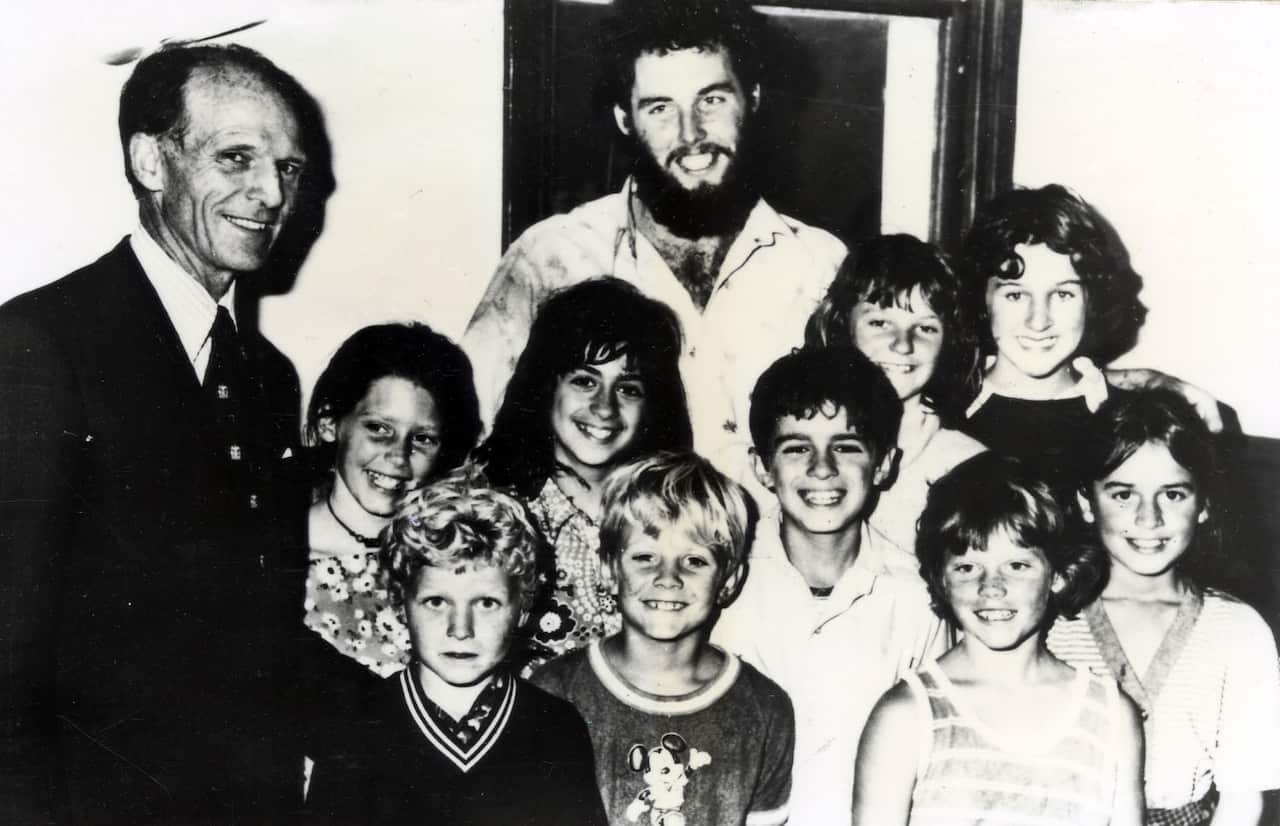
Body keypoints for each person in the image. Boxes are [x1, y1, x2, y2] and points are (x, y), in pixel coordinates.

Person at [0, 43, 327, 821]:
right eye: (237, 157)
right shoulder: (42, 343)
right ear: (150, 161)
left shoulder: (267, 376)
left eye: (287, 167)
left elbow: (260, 625)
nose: (270, 192)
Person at [462, 0, 846, 482]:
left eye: (712, 100)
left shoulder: (821, 266)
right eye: (660, 108)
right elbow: (467, 436)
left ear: (753, 97)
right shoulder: (550, 258)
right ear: (625, 118)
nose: (691, 133)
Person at [713, 346, 949, 826]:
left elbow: (934, 757)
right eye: (796, 448)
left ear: (883, 464)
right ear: (762, 467)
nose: (822, 468)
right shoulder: (720, 584)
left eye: (846, 446)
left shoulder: (917, 598)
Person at [852, 452, 1144, 826]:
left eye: (1017, 566)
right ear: (941, 578)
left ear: (1058, 574)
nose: (991, 587)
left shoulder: (1111, 717)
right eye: (967, 567)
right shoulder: (905, 717)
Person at [305, 466, 608, 825]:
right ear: (401, 603)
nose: (460, 629)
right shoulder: (356, 728)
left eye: (486, 603)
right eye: (436, 602)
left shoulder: (555, 728)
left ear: (523, 607)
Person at [1047, 390, 1280, 825]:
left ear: (1204, 504)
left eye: (1172, 494)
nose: (1148, 518)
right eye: (1123, 495)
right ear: (1085, 503)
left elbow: (1242, 801)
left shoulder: (1239, 632)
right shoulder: (1050, 621)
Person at [532, 453, 795, 826]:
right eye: (645, 557)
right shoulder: (554, 692)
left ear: (728, 581)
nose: (668, 578)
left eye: (694, 561)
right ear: (609, 568)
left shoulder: (764, 709)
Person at [474, 279, 692, 669]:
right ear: (546, 387)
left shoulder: (674, 514)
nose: (604, 407)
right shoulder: (490, 513)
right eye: (584, 381)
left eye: (628, 388)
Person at [958, 183, 1231, 488]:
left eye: (1063, 294)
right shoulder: (942, 408)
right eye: (1015, 295)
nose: (1038, 321)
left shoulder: (1126, 418)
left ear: (1092, 302)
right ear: (981, 298)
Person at [303, 323, 482, 676]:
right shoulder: (277, 558)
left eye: (422, 439)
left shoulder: (454, 556)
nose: (398, 458)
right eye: (379, 429)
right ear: (329, 423)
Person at [805, 235, 985, 555]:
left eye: (926, 328)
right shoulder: (800, 447)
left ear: (949, 342)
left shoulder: (966, 466)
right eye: (880, 322)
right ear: (842, 325)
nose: (903, 344)